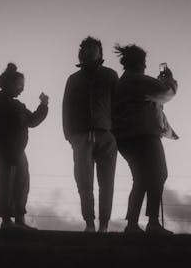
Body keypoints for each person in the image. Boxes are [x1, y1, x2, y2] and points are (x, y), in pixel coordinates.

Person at [112, 44, 178, 235]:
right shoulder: (136, 80)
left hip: (126, 137)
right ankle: (153, 223)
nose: (145, 66)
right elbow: (166, 93)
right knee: (159, 174)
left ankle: (133, 224)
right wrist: (169, 80)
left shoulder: (126, 81)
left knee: (141, 178)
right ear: (140, 62)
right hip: (142, 135)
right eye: (144, 62)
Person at [62, 37, 119, 233]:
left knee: (107, 183)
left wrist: (115, 134)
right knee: (84, 182)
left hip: (106, 135)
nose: (87, 51)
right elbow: (66, 108)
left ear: (100, 53)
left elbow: (118, 105)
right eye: (84, 48)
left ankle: (104, 225)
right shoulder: (73, 79)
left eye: (92, 48)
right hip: (81, 135)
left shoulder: (110, 75)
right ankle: (89, 223)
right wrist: (70, 135)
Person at [0, 63, 48, 230]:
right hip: (4, 149)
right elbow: (24, 121)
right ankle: (7, 221)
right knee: (6, 182)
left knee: (21, 182)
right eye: (20, 85)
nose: (22, 89)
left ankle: (19, 219)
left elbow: (32, 121)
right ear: (9, 84)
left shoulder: (15, 105)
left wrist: (43, 105)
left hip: (17, 150)